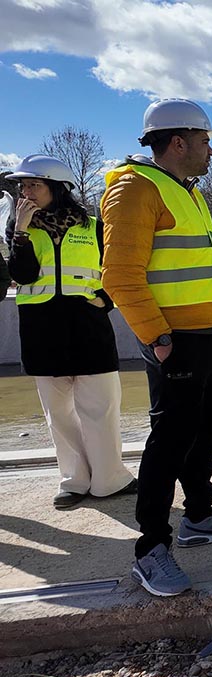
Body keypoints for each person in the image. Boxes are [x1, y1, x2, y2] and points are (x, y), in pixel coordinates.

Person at [102, 99, 212, 597]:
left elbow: (200, 269)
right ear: (178, 142)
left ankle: (199, 516)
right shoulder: (134, 189)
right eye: (207, 141)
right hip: (177, 343)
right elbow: (120, 276)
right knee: (168, 443)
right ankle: (151, 549)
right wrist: (158, 339)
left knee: (204, 435)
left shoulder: (188, 192)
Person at [5, 155, 136, 509]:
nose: (24, 191)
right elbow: (25, 274)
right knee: (59, 412)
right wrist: (19, 230)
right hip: (41, 330)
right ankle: (75, 480)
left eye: (33, 184)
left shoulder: (93, 226)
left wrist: (107, 301)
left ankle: (110, 479)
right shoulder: (19, 227)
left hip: (89, 327)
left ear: (57, 188)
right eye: (21, 185)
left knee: (101, 407)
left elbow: (115, 268)